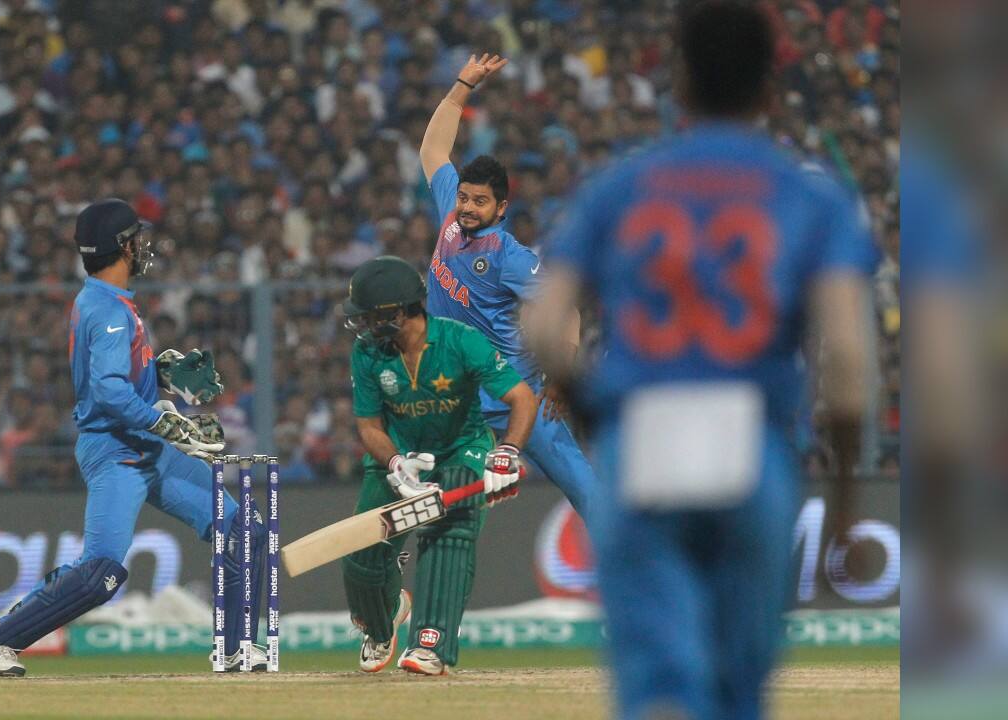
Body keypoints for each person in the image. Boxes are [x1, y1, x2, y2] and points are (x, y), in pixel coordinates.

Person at [524, 2, 876, 718]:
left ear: (678, 84)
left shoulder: (619, 188)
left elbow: (540, 325)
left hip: (643, 437)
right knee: (737, 690)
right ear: (769, 90)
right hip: (752, 446)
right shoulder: (811, 196)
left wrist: (593, 406)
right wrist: (842, 509)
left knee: (660, 685)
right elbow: (846, 362)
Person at [0, 198, 264, 677]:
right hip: (117, 452)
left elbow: (118, 376)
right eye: (136, 239)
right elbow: (107, 391)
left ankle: (234, 649)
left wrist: (160, 372)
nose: (142, 246)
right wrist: (166, 422)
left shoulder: (105, 301)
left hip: (148, 449)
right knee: (101, 573)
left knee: (241, 530)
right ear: (122, 246)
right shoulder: (107, 309)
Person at [418, 52, 599, 523]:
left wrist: (563, 374)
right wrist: (462, 85)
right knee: (430, 502)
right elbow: (433, 152)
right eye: (464, 197)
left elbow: (569, 308)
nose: (467, 207)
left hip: (514, 396)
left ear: (501, 208)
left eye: (480, 201)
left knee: (590, 497)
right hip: (454, 396)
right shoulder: (450, 218)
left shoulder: (507, 255)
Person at [340, 255, 537, 676]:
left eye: (371, 316)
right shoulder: (368, 353)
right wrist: (396, 463)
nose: (364, 326)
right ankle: (382, 619)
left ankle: (430, 643)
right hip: (398, 458)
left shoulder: (460, 341)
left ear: (398, 311)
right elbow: (369, 426)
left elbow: (521, 397)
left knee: (449, 534)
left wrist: (507, 451)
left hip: (459, 451)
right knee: (362, 553)